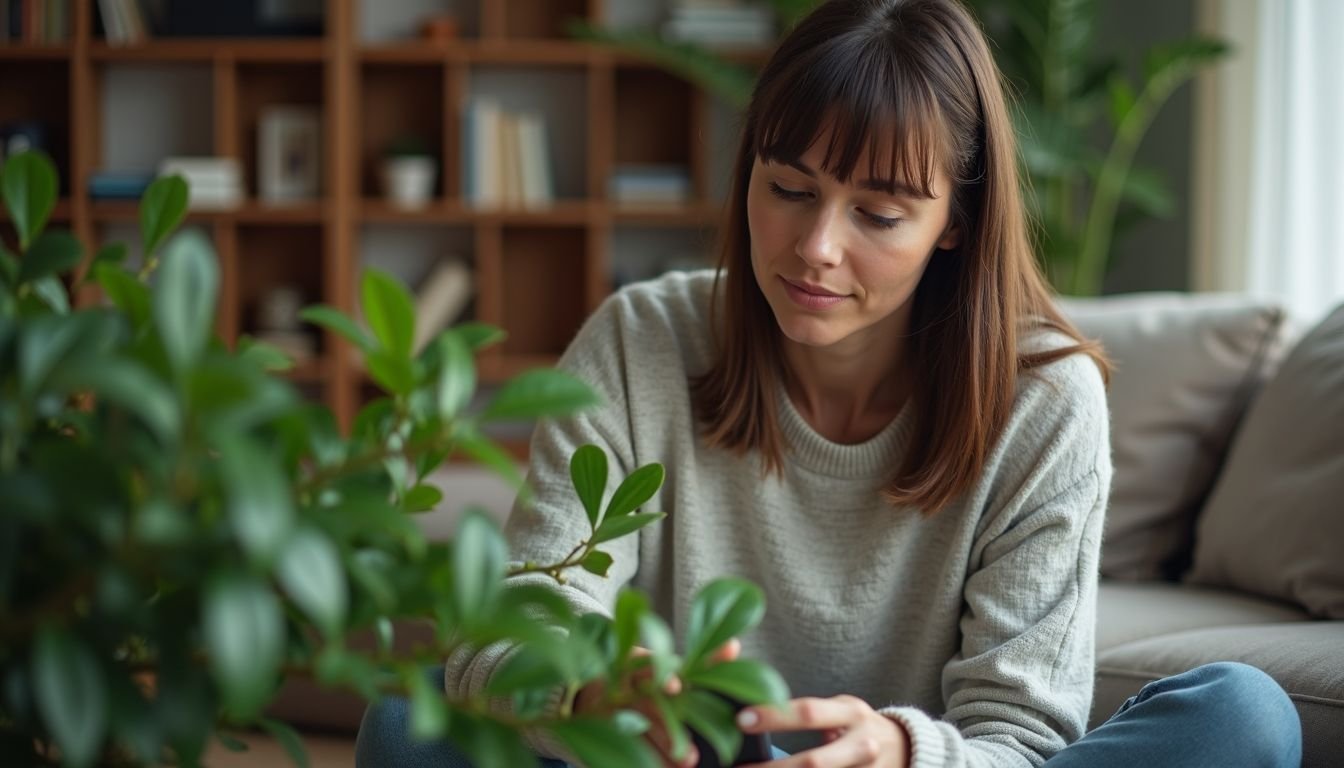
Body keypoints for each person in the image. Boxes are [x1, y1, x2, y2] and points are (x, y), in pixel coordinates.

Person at [357, 0, 1302, 765]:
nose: (815, 249)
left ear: (955, 223)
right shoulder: (641, 339)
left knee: (1242, 718)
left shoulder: (1044, 396)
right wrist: (591, 688)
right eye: (790, 188)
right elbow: (513, 627)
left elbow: (1021, 737)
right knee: (408, 725)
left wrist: (898, 750)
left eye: (880, 213)